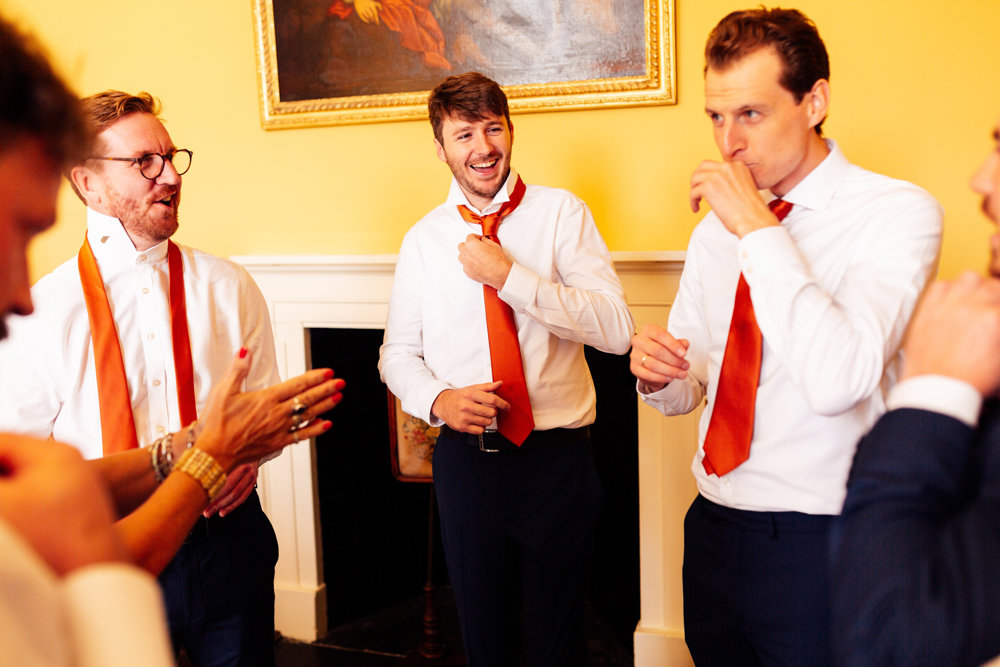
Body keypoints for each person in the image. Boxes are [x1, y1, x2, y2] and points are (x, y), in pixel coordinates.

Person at [0, 15, 345, 666]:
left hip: (227, 542)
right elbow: (16, 458)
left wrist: (249, 457)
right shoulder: (38, 307)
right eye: (143, 162)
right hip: (108, 543)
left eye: (171, 157)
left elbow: (262, 413)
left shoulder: (231, 286)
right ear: (87, 182)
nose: (169, 174)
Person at [629, 8, 942, 665]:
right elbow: (697, 380)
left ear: (815, 100)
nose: (728, 144)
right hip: (712, 524)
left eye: (750, 114)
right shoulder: (713, 231)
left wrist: (756, 229)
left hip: (821, 539)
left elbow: (840, 378)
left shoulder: (897, 214)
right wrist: (661, 376)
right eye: (715, 117)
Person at [379, 71, 634, 666]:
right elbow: (396, 354)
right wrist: (440, 401)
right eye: (464, 134)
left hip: (559, 462)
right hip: (470, 467)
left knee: (557, 643)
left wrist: (509, 278)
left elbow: (617, 330)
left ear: (511, 131)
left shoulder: (562, 215)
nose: (483, 147)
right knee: (486, 643)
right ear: (440, 148)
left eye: (493, 128)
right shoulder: (423, 240)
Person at [830, 119, 1000, 667]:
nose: (981, 181)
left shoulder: (898, 213)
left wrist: (933, 390)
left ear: (815, 102)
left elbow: (886, 640)